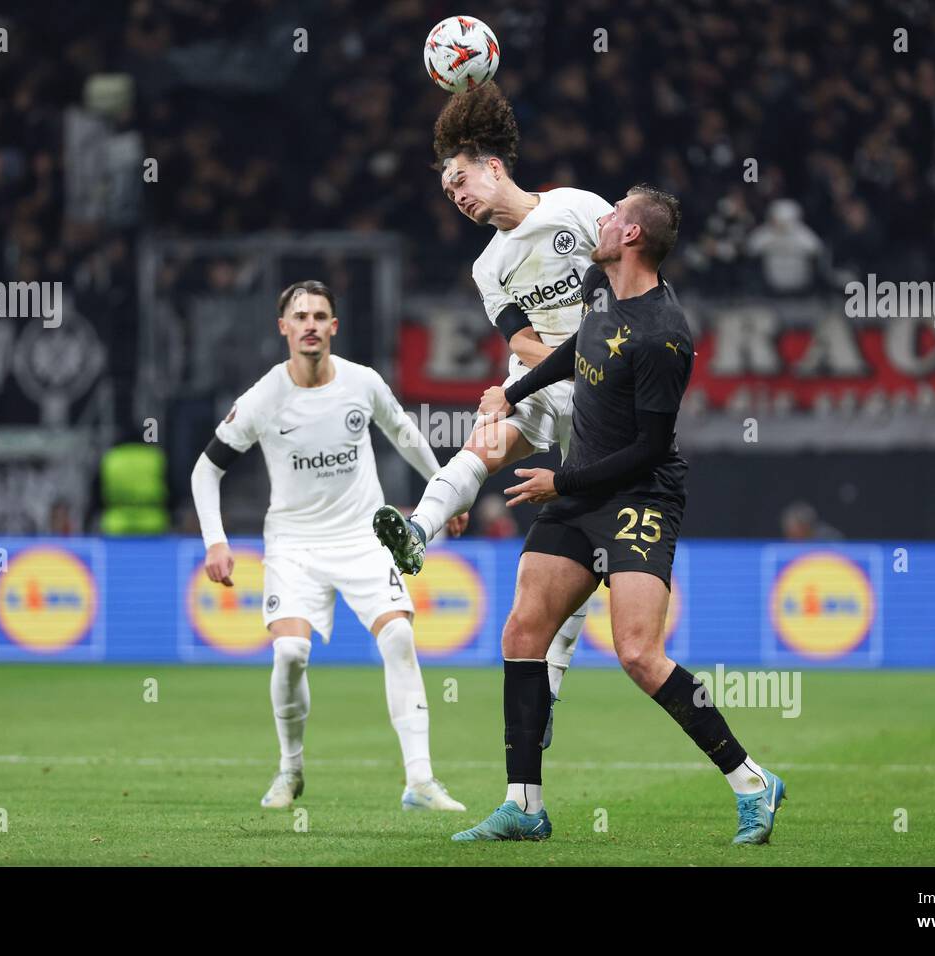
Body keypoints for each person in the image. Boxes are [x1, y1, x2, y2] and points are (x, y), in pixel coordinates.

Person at [454, 186, 785, 844]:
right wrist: (511, 391)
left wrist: (563, 480)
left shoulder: (666, 336)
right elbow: (578, 343)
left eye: (612, 216)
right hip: (577, 490)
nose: (599, 220)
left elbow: (650, 449)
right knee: (523, 632)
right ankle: (524, 804)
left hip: (639, 495)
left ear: (632, 236)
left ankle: (752, 780)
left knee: (638, 653)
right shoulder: (597, 288)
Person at [373, 81, 613, 746]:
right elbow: (520, 341)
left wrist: (602, 352)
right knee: (483, 441)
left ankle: (551, 694)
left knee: (582, 550)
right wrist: (555, 362)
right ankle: (417, 534)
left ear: (494, 166)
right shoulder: (489, 265)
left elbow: (630, 283)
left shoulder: (575, 209)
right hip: (548, 379)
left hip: (606, 391)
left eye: (460, 180)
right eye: (448, 192)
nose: (457, 196)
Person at [191, 280, 467, 812]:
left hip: (364, 538)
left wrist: (446, 494)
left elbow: (405, 435)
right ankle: (290, 770)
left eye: (320, 315)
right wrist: (215, 541)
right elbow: (206, 469)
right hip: (294, 544)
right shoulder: (264, 397)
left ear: (333, 327)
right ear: (284, 328)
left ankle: (420, 782)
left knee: (399, 641)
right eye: (301, 316)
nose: (311, 324)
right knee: (291, 652)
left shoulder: (361, 383)